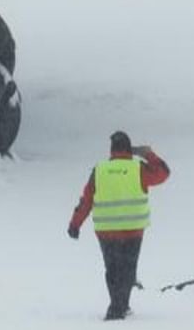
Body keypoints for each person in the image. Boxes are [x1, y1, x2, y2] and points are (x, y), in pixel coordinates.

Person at [68, 131, 171, 321]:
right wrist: (148, 154)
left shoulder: (99, 170)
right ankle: (118, 308)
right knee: (128, 269)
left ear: (112, 150)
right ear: (129, 149)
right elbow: (164, 173)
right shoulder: (138, 168)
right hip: (133, 231)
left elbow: (86, 201)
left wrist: (75, 224)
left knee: (113, 270)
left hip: (107, 233)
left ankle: (119, 305)